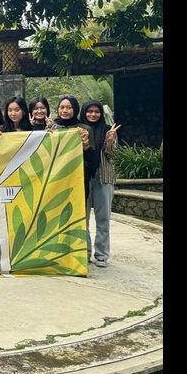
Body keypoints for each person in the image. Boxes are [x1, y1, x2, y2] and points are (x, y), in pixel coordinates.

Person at [80, 100, 120, 267]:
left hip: (103, 178)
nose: (93, 114)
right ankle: (85, 251)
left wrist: (110, 141)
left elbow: (113, 156)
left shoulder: (107, 130)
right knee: (82, 218)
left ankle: (102, 255)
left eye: (96, 111)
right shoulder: (79, 129)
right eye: (89, 111)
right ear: (84, 112)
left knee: (103, 218)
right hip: (83, 178)